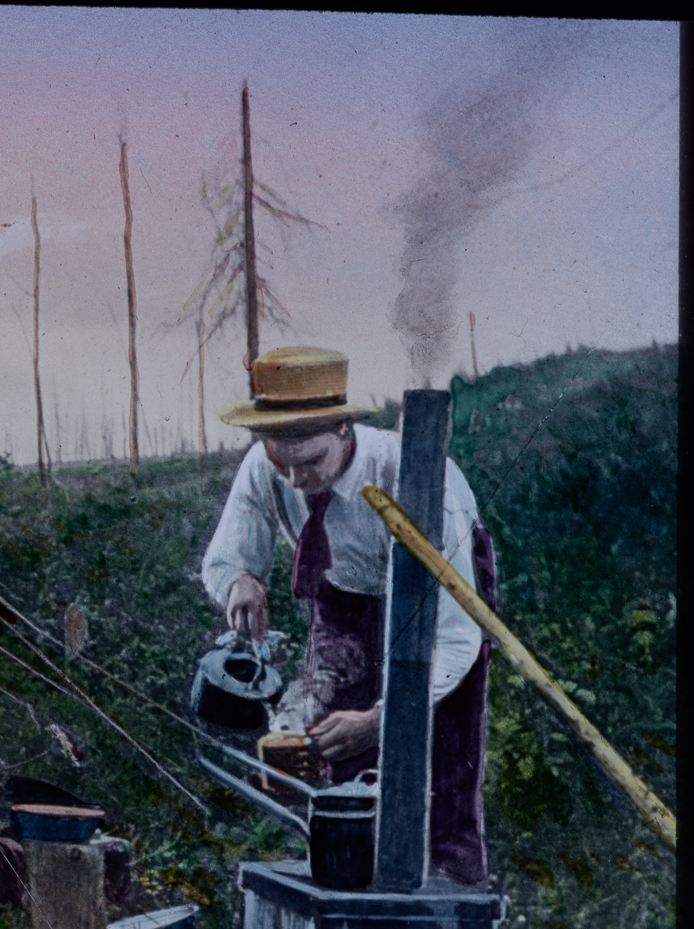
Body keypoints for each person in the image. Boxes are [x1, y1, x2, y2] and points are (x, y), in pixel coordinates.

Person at [200, 347, 499, 885]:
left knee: (440, 767)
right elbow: (227, 554)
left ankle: (445, 906)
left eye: (311, 462)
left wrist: (383, 718)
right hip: (342, 595)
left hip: (440, 601)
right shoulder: (269, 465)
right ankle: (345, 891)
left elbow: (457, 636)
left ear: (344, 430)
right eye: (280, 462)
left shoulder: (422, 480)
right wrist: (241, 578)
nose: (294, 479)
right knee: (332, 759)